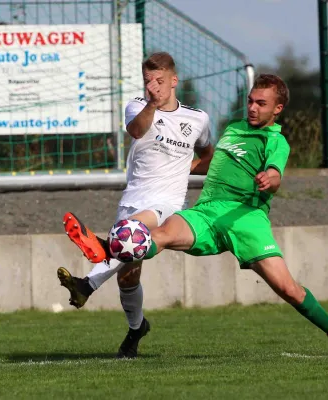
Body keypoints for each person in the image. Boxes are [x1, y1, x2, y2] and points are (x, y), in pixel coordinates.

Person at [63, 73, 328, 355]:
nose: (252, 107)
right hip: (207, 213)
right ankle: (109, 248)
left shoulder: (275, 141)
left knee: (288, 289)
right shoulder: (232, 129)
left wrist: (271, 179)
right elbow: (207, 164)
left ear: (277, 109)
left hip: (246, 219)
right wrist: (172, 171)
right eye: (250, 101)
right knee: (156, 234)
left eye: (261, 103)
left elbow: (275, 171)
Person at [58, 52, 215, 359]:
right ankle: (136, 329)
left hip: (167, 205)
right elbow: (137, 130)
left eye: (158, 81)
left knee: (129, 236)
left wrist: (188, 170)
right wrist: (152, 105)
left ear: (173, 81)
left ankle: (87, 284)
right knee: (127, 278)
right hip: (133, 200)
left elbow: (209, 156)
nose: (152, 86)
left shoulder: (197, 119)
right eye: (147, 81)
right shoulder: (136, 107)